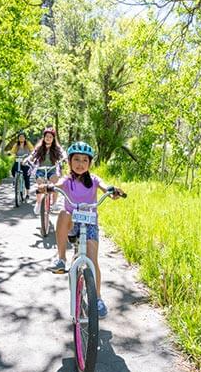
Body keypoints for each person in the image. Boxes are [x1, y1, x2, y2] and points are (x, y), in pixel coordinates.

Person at [43, 141, 125, 318]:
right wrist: (47, 187)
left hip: (89, 225)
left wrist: (112, 192)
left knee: (92, 260)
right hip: (72, 225)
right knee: (64, 213)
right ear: (70, 161)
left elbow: (105, 186)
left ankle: (97, 299)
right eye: (77, 159)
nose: (80, 163)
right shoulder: (67, 180)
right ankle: (61, 258)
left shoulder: (94, 180)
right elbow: (57, 186)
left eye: (85, 160)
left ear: (90, 163)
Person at [26, 127, 65, 213]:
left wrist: (65, 157)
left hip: (52, 170)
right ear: (44, 137)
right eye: (46, 136)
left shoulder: (56, 148)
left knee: (56, 184)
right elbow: (33, 155)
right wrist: (27, 159)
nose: (48, 138)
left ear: (53, 139)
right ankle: (39, 202)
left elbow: (63, 153)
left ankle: (54, 203)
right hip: (41, 170)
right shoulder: (39, 147)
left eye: (50, 137)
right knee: (40, 184)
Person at [9, 131, 34, 197]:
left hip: (26, 161)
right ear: (18, 138)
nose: (21, 138)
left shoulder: (28, 144)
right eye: (20, 137)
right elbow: (12, 152)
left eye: (23, 137)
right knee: (13, 169)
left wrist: (29, 156)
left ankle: (27, 193)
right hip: (18, 160)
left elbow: (32, 151)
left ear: (25, 138)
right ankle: (16, 179)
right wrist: (13, 155)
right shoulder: (16, 145)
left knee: (26, 176)